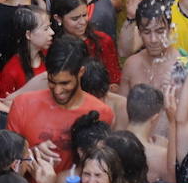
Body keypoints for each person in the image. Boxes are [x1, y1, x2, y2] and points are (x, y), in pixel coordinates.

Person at [6, 36, 115, 172]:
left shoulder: (101, 113)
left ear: (81, 72)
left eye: (65, 83)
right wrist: (29, 155)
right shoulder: (22, 105)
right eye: (52, 81)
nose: (57, 91)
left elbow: (103, 168)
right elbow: (5, 164)